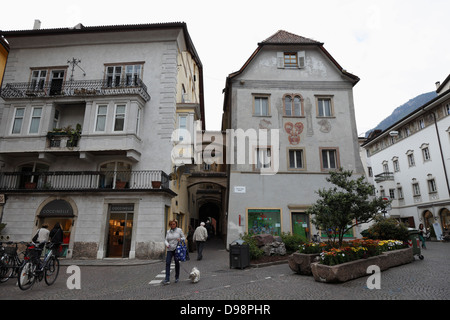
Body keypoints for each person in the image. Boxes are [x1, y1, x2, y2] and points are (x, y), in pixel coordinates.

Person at [163, 220, 185, 285]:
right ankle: (167, 279)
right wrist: (167, 244)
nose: (172, 225)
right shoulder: (168, 231)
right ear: (170, 225)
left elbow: (184, 237)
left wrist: (180, 239)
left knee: (176, 262)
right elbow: (165, 240)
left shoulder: (179, 230)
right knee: (167, 263)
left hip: (176, 249)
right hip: (170, 249)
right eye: (171, 224)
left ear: (176, 224)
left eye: (174, 224)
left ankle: (177, 277)